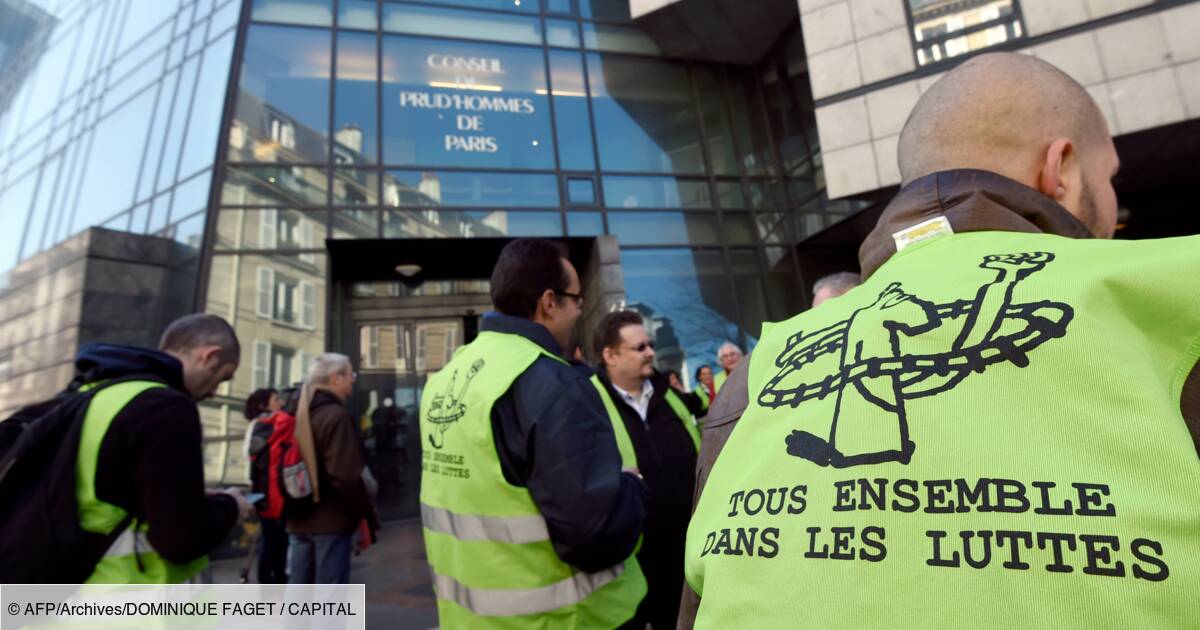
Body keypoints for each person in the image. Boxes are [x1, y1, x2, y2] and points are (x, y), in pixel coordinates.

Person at [681, 52, 1200, 628]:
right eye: (1110, 177)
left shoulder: (759, 374)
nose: (1111, 199)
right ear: (1062, 168)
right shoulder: (1179, 296)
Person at [419, 238, 647, 628]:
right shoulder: (548, 380)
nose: (580, 310)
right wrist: (633, 487)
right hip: (565, 620)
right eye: (576, 299)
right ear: (549, 302)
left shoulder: (446, 378)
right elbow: (594, 535)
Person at [73, 314, 252, 583]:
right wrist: (231, 507)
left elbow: (105, 494)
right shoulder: (167, 407)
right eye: (223, 377)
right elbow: (180, 540)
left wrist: (185, 495)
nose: (215, 391)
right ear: (210, 356)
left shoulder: (93, 393)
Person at [591, 310, 704, 629]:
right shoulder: (588, 402)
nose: (651, 353)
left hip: (687, 557)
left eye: (650, 345)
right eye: (640, 348)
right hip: (631, 565)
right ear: (610, 355)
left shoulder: (671, 397)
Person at [286, 353, 373, 584]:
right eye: (351, 374)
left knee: (299, 591)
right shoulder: (335, 415)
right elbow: (345, 475)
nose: (354, 380)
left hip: (297, 516)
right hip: (330, 520)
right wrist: (361, 513)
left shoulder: (295, 409)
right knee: (329, 598)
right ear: (336, 378)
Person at [243, 387, 287, 584]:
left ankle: (271, 581)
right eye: (276, 399)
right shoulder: (265, 425)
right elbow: (253, 456)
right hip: (267, 491)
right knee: (272, 541)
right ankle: (269, 583)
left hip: (262, 489)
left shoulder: (259, 425)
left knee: (272, 540)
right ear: (264, 405)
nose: (281, 403)